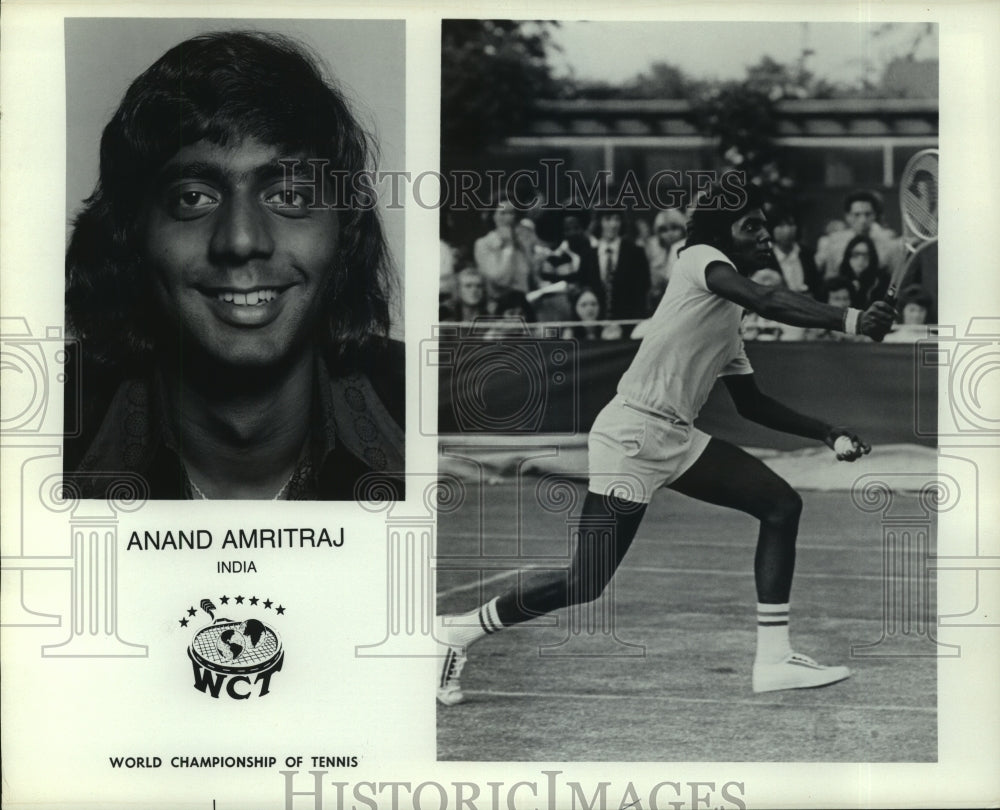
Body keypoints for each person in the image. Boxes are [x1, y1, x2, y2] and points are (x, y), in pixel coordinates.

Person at [437, 183, 896, 704]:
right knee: (586, 582)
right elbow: (767, 298)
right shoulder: (699, 258)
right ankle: (459, 629)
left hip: (674, 438)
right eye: (752, 227)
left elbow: (753, 405)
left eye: (766, 226)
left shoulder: (727, 327)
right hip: (632, 434)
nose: (765, 235)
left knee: (780, 504)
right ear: (723, 237)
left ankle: (774, 659)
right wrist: (852, 319)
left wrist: (827, 431)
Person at [63, 31, 404, 500]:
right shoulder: (41, 431)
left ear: (344, 232)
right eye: (193, 198)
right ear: (131, 234)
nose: (241, 241)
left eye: (288, 196)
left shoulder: (419, 412)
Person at [815, 190, 903, 280]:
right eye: (857, 215)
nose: (863, 220)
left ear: (874, 215)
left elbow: (895, 280)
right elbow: (829, 278)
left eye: (867, 214)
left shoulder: (889, 242)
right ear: (847, 216)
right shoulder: (834, 241)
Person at [473, 199, 533, 307]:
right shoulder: (483, 244)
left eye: (511, 213)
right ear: (492, 216)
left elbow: (529, 277)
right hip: (497, 304)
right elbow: (500, 279)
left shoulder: (521, 244)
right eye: (503, 213)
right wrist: (508, 247)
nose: (508, 218)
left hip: (523, 304)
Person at [768, 209, 822, 299]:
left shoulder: (807, 254)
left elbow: (817, 286)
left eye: (791, 224)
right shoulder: (767, 257)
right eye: (781, 225)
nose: (787, 230)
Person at [838, 234, 888, 308]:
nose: (860, 260)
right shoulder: (839, 281)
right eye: (856, 254)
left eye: (865, 255)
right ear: (848, 255)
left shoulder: (879, 282)